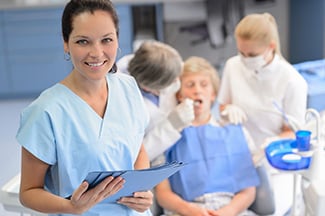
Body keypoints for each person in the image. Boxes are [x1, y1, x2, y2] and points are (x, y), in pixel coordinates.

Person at [16, 0, 153, 215]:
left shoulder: (128, 87)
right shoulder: (46, 112)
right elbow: (28, 192)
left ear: (117, 39)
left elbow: (138, 149)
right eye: (83, 41)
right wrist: (70, 206)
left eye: (106, 39)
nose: (97, 53)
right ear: (65, 43)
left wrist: (142, 191)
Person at [155, 56, 260, 216]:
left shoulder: (234, 132)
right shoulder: (167, 136)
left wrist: (227, 212)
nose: (197, 90)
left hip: (230, 210)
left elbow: (248, 190)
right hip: (184, 211)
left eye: (204, 85)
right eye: (190, 85)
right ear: (179, 95)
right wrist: (191, 211)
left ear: (213, 94)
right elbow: (163, 194)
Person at [217, 13, 308, 147]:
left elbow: (293, 132)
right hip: (235, 146)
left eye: (252, 55)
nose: (245, 59)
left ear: (271, 46)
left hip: (270, 154)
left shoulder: (293, 81)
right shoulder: (233, 65)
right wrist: (227, 110)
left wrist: (273, 143)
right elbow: (222, 105)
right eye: (241, 52)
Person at [117, 40, 195, 162]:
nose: (177, 83)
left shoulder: (150, 64)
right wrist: (171, 126)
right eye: (172, 81)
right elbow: (133, 158)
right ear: (148, 87)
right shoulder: (121, 105)